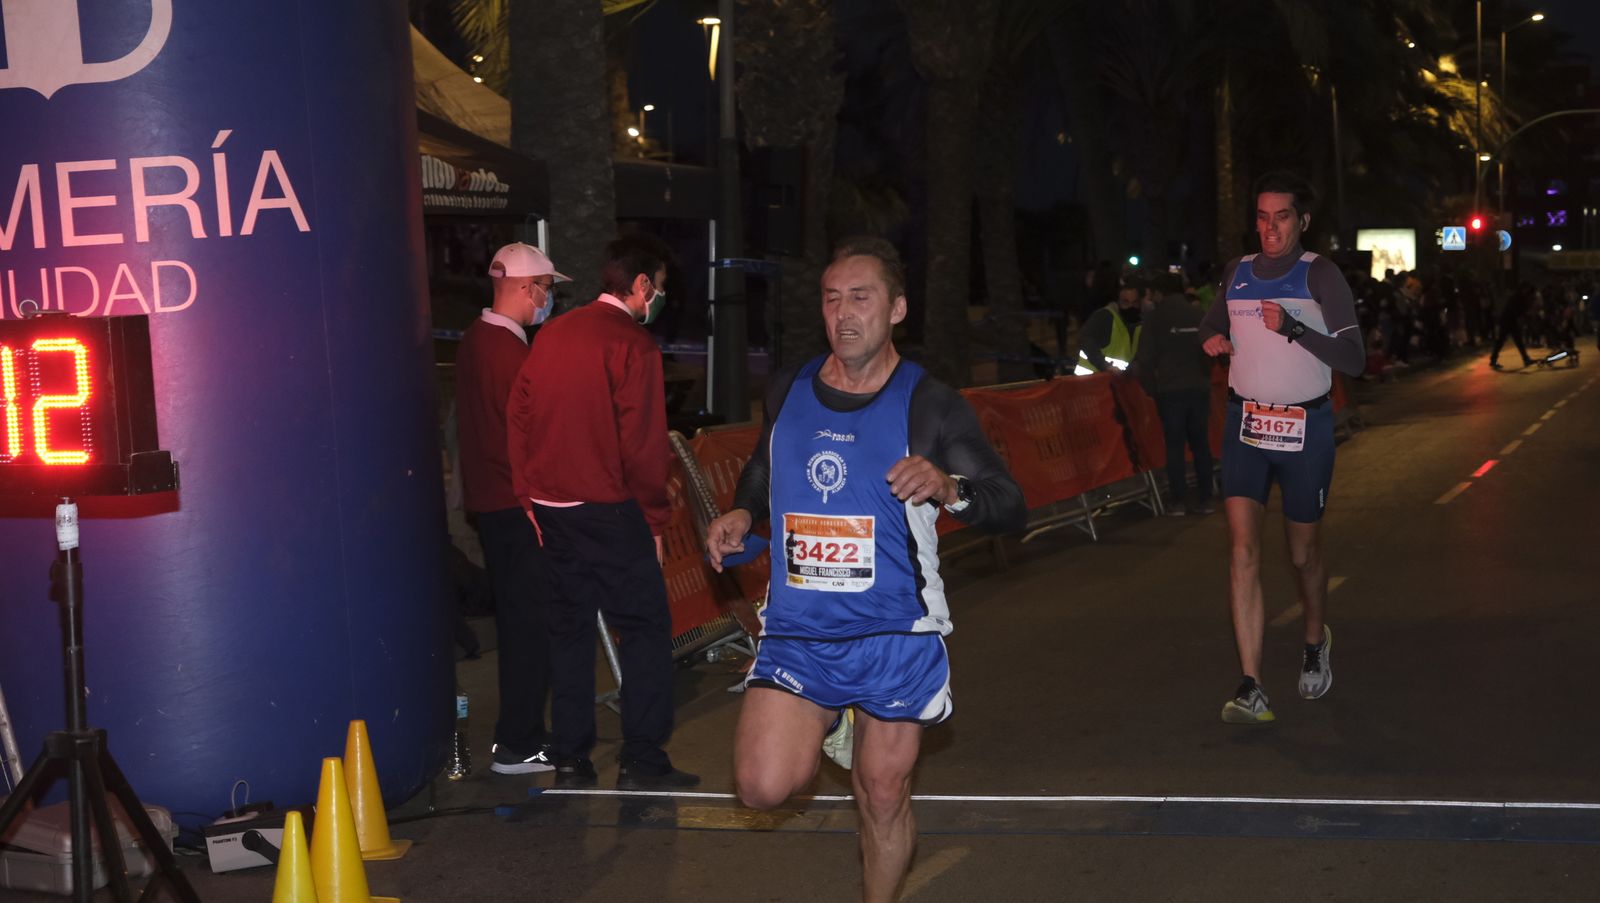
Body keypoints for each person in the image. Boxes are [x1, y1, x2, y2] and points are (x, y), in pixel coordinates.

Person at [705, 237, 1025, 903]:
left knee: (882, 792)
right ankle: (839, 718)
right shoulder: (789, 387)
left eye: (860, 297)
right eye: (832, 299)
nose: (843, 312)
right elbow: (765, 466)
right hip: (801, 629)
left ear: (897, 308)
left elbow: (1008, 504)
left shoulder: (930, 404)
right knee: (761, 786)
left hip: (894, 632)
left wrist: (948, 487)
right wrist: (743, 511)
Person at [505, 233, 697, 790]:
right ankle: (642, 757)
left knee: (569, 629)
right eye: (659, 287)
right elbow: (644, 447)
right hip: (610, 509)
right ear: (641, 284)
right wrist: (655, 518)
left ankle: (570, 757)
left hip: (553, 507)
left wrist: (529, 495)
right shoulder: (633, 346)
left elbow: (518, 415)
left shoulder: (554, 332)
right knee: (643, 628)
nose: (659, 298)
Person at [1198, 172, 1365, 724]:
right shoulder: (1238, 272)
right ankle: (1252, 685)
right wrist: (1212, 338)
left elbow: (1354, 359)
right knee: (1242, 551)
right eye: (1263, 217)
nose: (1271, 228)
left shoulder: (1320, 274)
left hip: (1305, 428)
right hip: (1246, 424)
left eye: (1283, 217)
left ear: (1303, 221)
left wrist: (1294, 328)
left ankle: (1315, 639)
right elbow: (1210, 324)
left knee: (1301, 555)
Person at [455, 242, 566, 774]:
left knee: (521, 623)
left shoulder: (474, 340)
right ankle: (519, 743)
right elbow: (533, 441)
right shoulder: (512, 355)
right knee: (529, 629)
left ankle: (521, 737)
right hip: (519, 508)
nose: (548, 299)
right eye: (546, 288)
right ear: (526, 288)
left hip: (492, 504)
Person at [1131, 270, 1214, 515]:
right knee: (1201, 444)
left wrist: (1151, 388)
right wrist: (1204, 377)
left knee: (1175, 447)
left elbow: (1145, 359)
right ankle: (1206, 499)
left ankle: (1178, 501)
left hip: (1170, 391)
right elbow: (1210, 350)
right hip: (1198, 388)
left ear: (1158, 293)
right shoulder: (1198, 314)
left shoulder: (1155, 318)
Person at [1074, 269, 1145, 374]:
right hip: (1091, 378)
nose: (1131, 307)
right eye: (1125, 302)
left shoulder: (1139, 325)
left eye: (1134, 303)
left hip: (1112, 380)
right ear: (1118, 302)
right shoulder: (1105, 317)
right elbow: (1085, 338)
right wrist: (1104, 366)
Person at [1489, 283, 1535, 370]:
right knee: (1506, 340)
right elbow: (1519, 310)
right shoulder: (1518, 297)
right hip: (1508, 321)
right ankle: (1525, 359)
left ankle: (1525, 358)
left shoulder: (1518, 296)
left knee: (1513, 340)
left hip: (1509, 321)